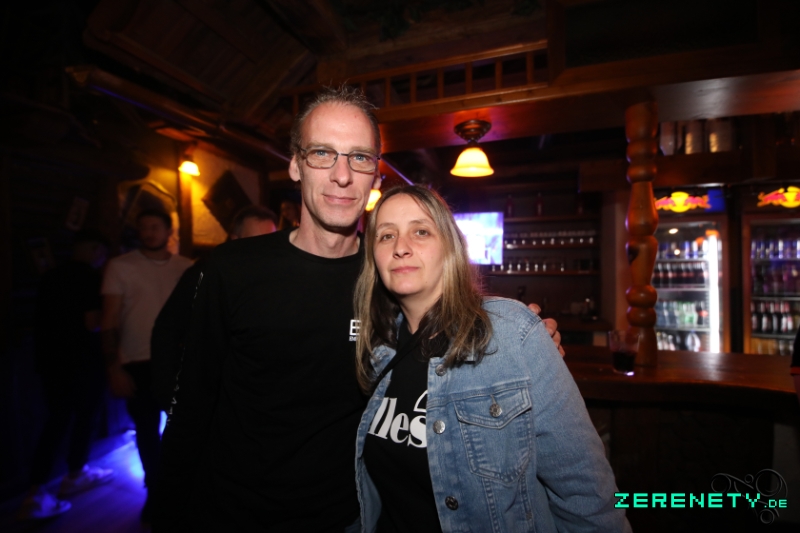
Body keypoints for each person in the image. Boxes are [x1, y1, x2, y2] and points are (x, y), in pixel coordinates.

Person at [156, 86, 562, 531]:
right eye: (322, 153)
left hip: (352, 518)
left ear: (376, 176)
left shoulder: (388, 273)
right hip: (235, 516)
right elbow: (190, 408)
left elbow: (452, 316)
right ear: (294, 164)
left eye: (360, 157)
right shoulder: (232, 269)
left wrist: (522, 342)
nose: (342, 175)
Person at [353, 185, 630, 532]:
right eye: (386, 235)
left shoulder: (512, 333)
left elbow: (586, 493)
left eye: (420, 231)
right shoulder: (379, 349)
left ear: (450, 247)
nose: (401, 247)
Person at [101, 209, 193, 523]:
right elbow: (108, 321)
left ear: (169, 230)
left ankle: (184, 492)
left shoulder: (186, 267)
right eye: (143, 227)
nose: (149, 232)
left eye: (155, 226)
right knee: (146, 431)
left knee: (185, 429)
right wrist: (114, 368)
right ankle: (155, 493)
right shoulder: (120, 266)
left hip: (180, 360)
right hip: (136, 361)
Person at [19, 230, 114, 520]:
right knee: (86, 417)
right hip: (84, 361)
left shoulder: (50, 277)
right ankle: (74, 475)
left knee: (55, 421)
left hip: (50, 361)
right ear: (97, 250)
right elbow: (92, 323)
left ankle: (37, 489)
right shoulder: (91, 278)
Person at [150, 205, 278, 410]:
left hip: (259, 400)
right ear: (235, 240)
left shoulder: (277, 280)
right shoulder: (205, 275)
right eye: (254, 241)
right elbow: (167, 331)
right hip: (211, 399)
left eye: (269, 242)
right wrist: (170, 395)